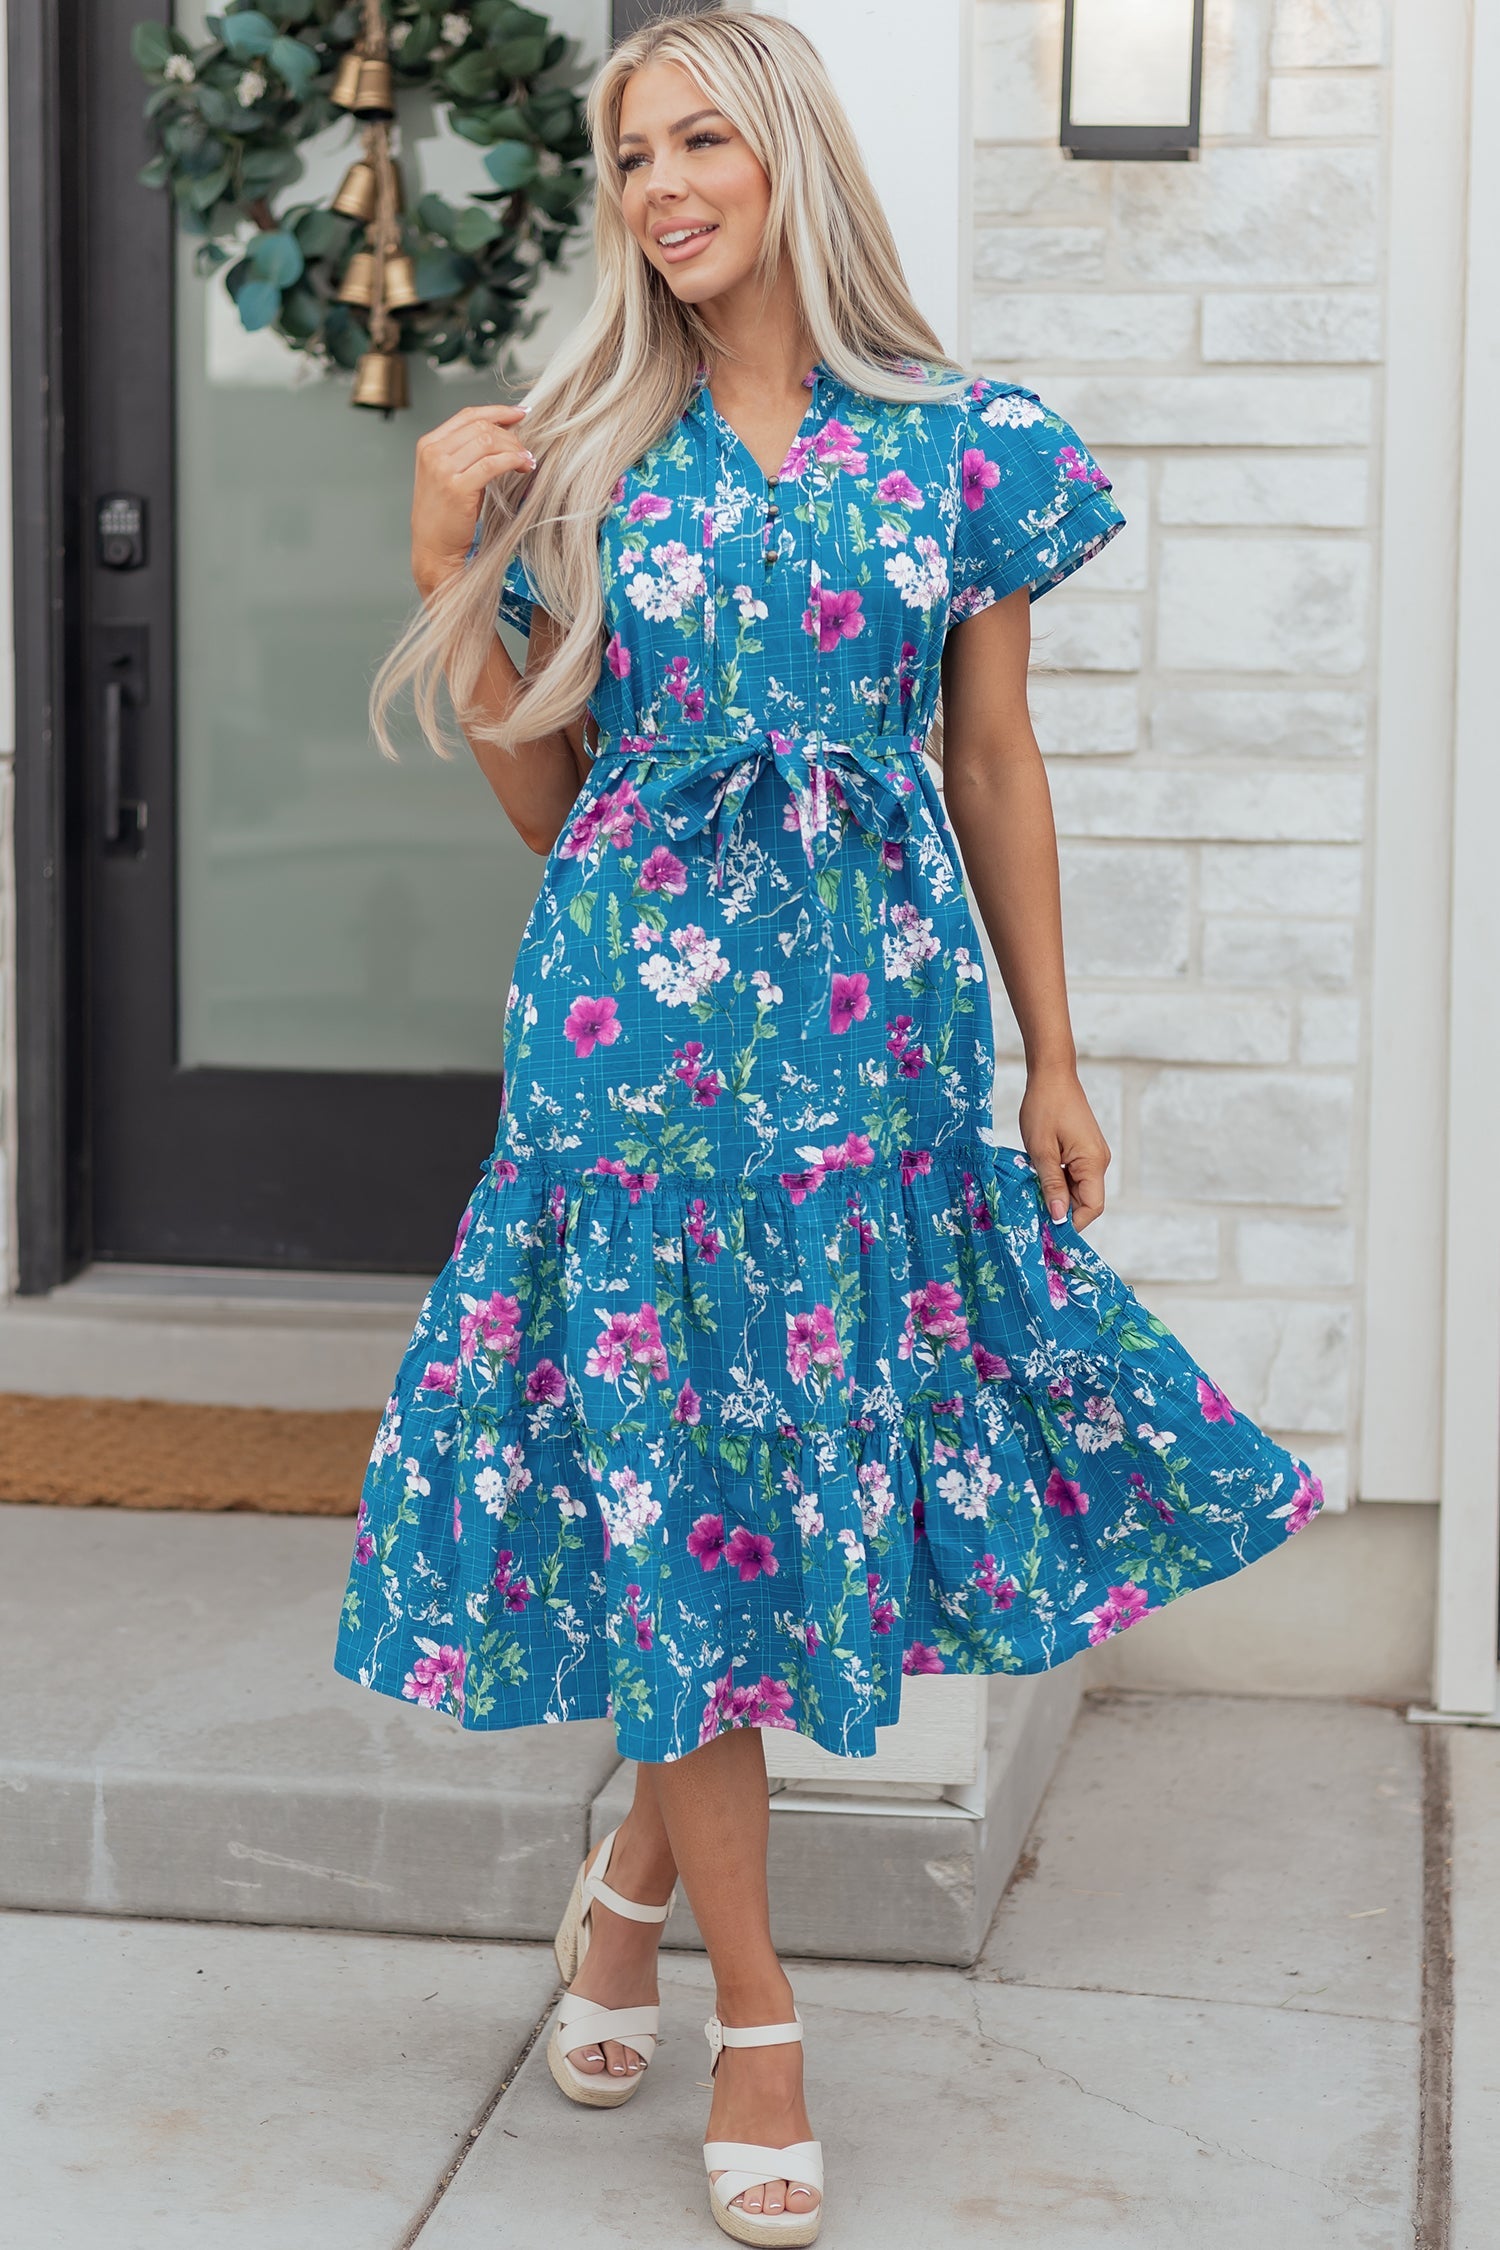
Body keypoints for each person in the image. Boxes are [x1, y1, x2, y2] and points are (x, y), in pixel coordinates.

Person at [334, 11, 1325, 2243]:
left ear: (785, 159)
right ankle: (761, 2012)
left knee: (792, 1497)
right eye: (627, 154)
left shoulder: (960, 446)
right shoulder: (591, 451)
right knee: (685, 1503)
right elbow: (545, 796)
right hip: (634, 1060)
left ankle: (624, 1887)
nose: (661, 184)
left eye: (700, 139)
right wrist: (441, 566)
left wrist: (1056, 1057)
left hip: (874, 1058)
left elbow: (990, 764)